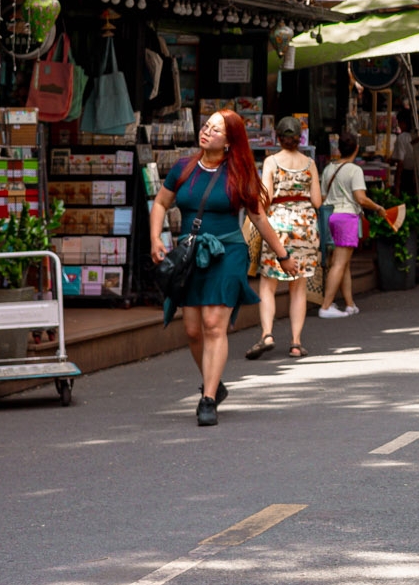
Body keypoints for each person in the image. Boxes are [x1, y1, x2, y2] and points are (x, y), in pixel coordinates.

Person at [150, 108, 290, 425]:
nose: (206, 132)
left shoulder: (239, 172)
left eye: (215, 129)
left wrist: (282, 254)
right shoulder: (184, 168)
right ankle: (215, 383)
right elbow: (160, 203)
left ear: (229, 140)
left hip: (227, 252)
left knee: (214, 325)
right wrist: (155, 238)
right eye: (205, 126)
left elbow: (258, 218)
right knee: (192, 331)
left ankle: (208, 398)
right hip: (190, 254)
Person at [251, 115, 321, 360]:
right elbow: (318, 201)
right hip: (306, 226)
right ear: (299, 138)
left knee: (268, 284)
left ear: (278, 138)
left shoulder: (271, 161)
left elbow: (265, 196)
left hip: (278, 224)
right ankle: (295, 343)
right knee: (298, 286)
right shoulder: (310, 163)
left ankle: (268, 334)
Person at [317, 133, 382, 318]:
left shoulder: (329, 168)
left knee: (343, 262)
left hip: (331, 217)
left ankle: (350, 304)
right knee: (339, 263)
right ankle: (326, 306)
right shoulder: (355, 170)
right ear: (356, 149)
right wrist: (377, 207)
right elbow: (360, 198)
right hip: (347, 217)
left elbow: (322, 197)